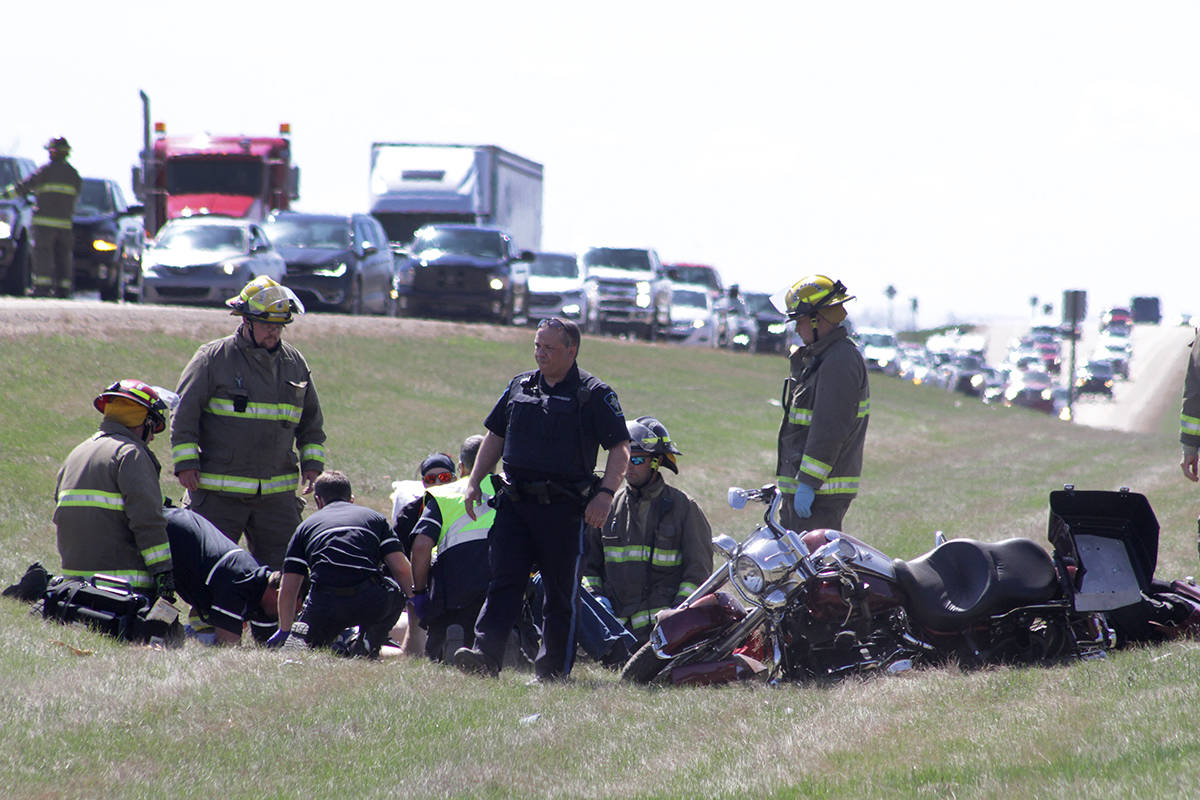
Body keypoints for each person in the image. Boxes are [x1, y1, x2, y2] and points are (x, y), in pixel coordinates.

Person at [453, 317, 631, 681]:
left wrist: (605, 494)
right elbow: (495, 436)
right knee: (504, 583)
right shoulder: (519, 386)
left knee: (559, 595)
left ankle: (551, 673)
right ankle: (485, 657)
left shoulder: (594, 393)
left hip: (565, 510)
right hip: (516, 505)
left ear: (572, 350)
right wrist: (474, 481)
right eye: (537, 346)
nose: (540, 354)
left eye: (549, 348)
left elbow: (620, 448)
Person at [171, 276, 326, 571]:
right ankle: (208, 619)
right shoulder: (212, 359)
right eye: (268, 325)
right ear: (246, 321)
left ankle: (275, 619)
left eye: (279, 326)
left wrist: (312, 466)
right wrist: (186, 462)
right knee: (210, 569)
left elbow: (311, 422)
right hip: (219, 493)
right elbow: (184, 413)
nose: (274, 332)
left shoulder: (294, 363)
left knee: (289, 569)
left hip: (276, 498)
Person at [582, 415, 713, 645]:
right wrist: (597, 598)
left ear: (656, 462)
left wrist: (677, 615)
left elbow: (698, 574)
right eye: (624, 458)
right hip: (615, 631)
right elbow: (587, 565)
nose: (628, 466)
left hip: (665, 631)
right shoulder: (606, 507)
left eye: (637, 459)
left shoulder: (684, 508)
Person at [270, 471, 415, 657]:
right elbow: (401, 569)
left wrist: (284, 629)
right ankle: (368, 641)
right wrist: (416, 601)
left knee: (314, 649)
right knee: (394, 590)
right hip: (369, 599)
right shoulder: (374, 518)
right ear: (351, 499)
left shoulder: (305, 528)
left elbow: (289, 586)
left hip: (325, 603)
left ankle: (318, 641)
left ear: (318, 500)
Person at [53, 380, 175, 600]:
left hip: (74, 584)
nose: (153, 437)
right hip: (122, 586)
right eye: (153, 428)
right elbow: (147, 519)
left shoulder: (77, 452)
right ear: (144, 422)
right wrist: (163, 573)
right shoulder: (130, 454)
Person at [771, 275, 870, 533]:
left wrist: (809, 482)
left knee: (816, 571)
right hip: (807, 491)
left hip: (821, 495)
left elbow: (830, 429)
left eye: (800, 321)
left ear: (817, 319)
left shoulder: (839, 361)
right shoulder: (821, 359)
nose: (796, 329)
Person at [408, 435, 498, 661]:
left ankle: (450, 634)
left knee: (447, 623)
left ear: (461, 467)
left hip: (455, 588)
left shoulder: (443, 494)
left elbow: (421, 547)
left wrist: (419, 592)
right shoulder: (509, 489)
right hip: (499, 584)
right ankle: (508, 638)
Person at [164, 505, 282, 645]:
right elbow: (227, 642)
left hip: (181, 524)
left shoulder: (264, 592)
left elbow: (266, 643)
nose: (291, 615)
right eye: (292, 607)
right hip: (168, 529)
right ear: (277, 593)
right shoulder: (240, 580)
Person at [2, 137, 81, 298]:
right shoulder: (74, 175)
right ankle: (63, 289)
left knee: (43, 254)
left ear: (53, 152)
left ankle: (42, 288)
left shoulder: (45, 171)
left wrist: (3, 195)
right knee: (63, 256)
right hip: (65, 225)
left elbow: (23, 187)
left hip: (44, 224)